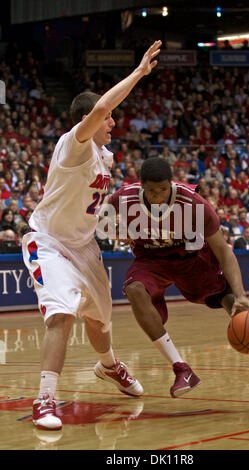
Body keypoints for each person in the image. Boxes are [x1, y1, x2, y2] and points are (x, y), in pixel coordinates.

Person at [21, 40, 162, 431]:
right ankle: (44, 399)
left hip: (84, 246)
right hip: (49, 242)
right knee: (62, 316)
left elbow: (92, 201)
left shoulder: (106, 156)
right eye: (109, 117)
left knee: (100, 322)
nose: (113, 122)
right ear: (87, 120)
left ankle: (109, 366)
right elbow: (100, 107)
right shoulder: (72, 146)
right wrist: (138, 73)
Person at [105, 157, 249, 407]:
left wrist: (240, 294)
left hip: (194, 260)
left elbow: (224, 251)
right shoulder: (124, 198)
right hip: (152, 259)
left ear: (171, 184)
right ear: (140, 185)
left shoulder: (194, 204)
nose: (157, 196)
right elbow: (103, 219)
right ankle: (181, 368)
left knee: (242, 313)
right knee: (134, 289)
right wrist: (115, 229)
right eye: (151, 191)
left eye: (163, 189)